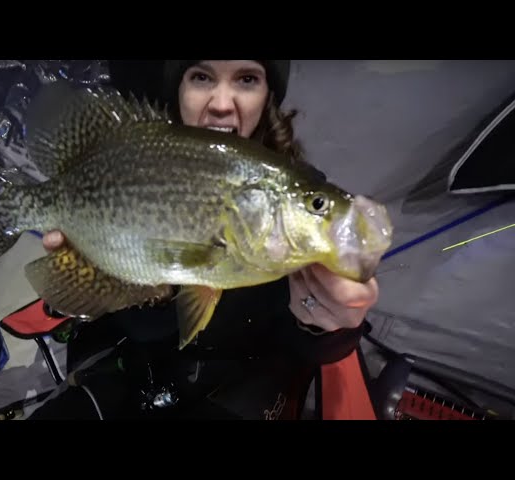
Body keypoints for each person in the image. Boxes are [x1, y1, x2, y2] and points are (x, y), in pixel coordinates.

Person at [25, 60, 380, 420]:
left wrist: (328, 325)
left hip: (244, 383)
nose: (222, 103)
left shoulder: (299, 190)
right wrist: (106, 275)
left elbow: (307, 351)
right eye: (201, 77)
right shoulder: (135, 151)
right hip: (136, 369)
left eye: (246, 79)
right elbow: (128, 329)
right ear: (178, 88)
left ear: (267, 93)